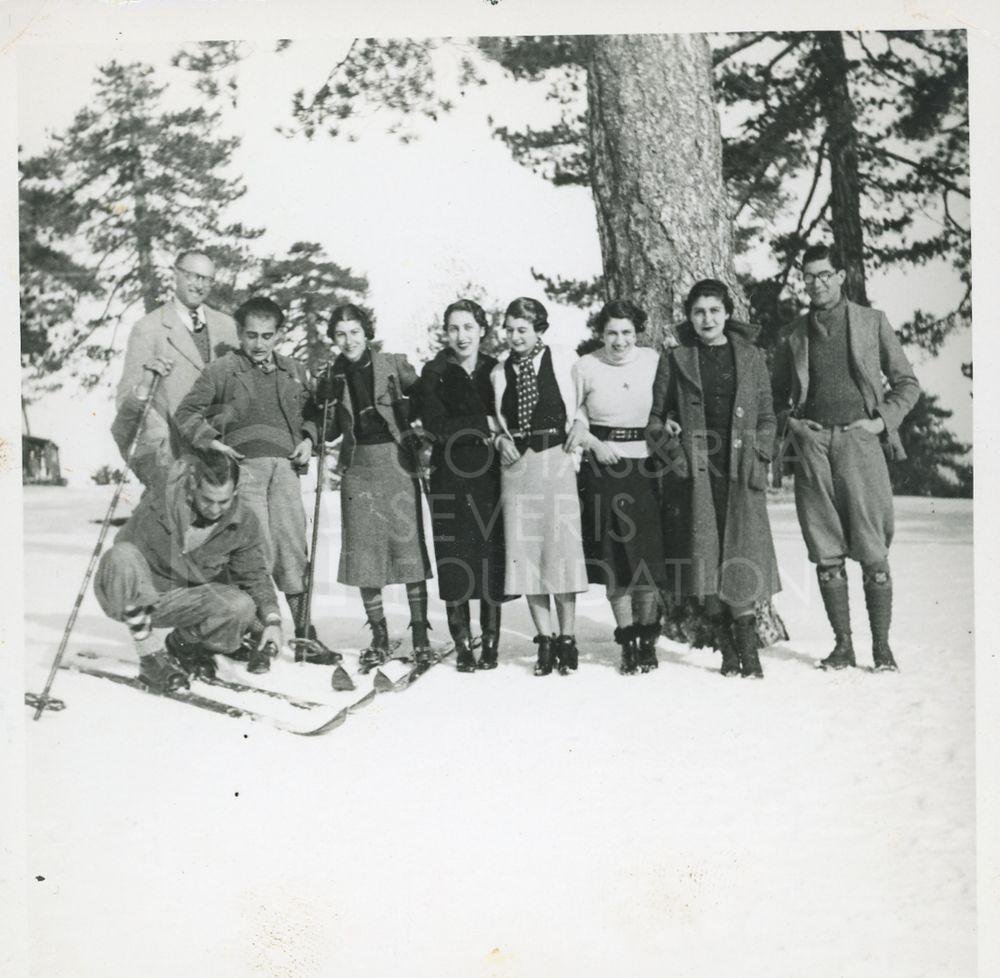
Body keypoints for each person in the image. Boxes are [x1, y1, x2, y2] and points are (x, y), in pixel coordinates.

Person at [771, 243, 920, 672]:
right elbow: (776, 398)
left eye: (824, 275)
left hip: (859, 442)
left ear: (841, 277)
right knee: (825, 547)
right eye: (809, 276)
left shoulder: (872, 323)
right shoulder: (795, 333)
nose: (816, 283)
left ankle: (882, 648)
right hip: (813, 447)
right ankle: (842, 645)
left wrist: (879, 423)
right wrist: (794, 425)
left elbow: (906, 383)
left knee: (872, 547)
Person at [173, 296, 335, 667]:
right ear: (240, 334)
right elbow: (185, 413)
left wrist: (310, 439)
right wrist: (212, 441)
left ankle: (305, 631)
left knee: (293, 548)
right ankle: (262, 633)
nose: (259, 343)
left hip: (286, 470)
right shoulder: (222, 369)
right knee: (256, 550)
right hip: (244, 469)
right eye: (251, 335)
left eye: (267, 335)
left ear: (279, 334)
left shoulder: (293, 370)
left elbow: (317, 413)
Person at [646, 279, 781, 679]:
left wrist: (759, 454)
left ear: (727, 314)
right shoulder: (676, 359)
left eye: (714, 311)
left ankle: (748, 649)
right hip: (697, 473)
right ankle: (727, 648)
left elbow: (769, 417)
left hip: (740, 471)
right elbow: (654, 421)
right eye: (699, 312)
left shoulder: (752, 357)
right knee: (707, 558)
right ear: (690, 317)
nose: (707, 319)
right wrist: (676, 455)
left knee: (741, 557)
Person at [93, 448, 282, 689]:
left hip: (184, 600)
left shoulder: (244, 521)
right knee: (121, 554)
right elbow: (123, 558)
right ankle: (151, 658)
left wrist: (272, 621)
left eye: (223, 501)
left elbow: (255, 575)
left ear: (235, 492)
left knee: (240, 606)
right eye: (207, 500)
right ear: (193, 486)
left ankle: (184, 646)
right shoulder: (162, 500)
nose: (214, 509)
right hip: (134, 595)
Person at [312, 304, 434, 668]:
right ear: (332, 338)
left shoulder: (392, 364)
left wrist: (419, 429)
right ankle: (380, 634)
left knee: (408, 548)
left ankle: (420, 634)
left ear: (366, 332)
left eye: (354, 331)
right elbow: (329, 430)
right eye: (340, 334)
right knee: (365, 554)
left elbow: (425, 398)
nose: (348, 340)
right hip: (358, 468)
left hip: (396, 462)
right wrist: (324, 401)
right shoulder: (331, 375)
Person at [492, 297, 588, 677]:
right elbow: (494, 421)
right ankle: (544, 641)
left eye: (523, 329)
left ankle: (567, 638)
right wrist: (499, 440)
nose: (516, 337)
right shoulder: (499, 372)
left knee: (560, 551)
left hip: (557, 459)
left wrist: (581, 424)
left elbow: (583, 402)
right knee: (527, 552)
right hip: (517, 468)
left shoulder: (565, 360)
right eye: (510, 329)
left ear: (540, 331)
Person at [569, 300, 666, 674]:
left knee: (645, 557)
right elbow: (573, 417)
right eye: (612, 333)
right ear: (600, 333)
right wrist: (594, 444)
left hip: (646, 466)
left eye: (627, 332)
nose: (619, 341)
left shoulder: (652, 361)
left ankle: (647, 637)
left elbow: (665, 407)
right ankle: (627, 640)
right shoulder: (586, 366)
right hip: (603, 466)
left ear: (637, 332)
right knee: (615, 559)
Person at [419, 299, 506, 672]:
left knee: (489, 555)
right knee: (455, 558)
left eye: (469, 327)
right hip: (450, 476)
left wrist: (475, 426)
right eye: (454, 328)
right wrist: (482, 424)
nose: (461, 335)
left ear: (482, 330)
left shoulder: (496, 370)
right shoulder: (435, 372)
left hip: (490, 476)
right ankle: (462, 643)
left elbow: (507, 419)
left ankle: (490, 642)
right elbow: (436, 427)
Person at [115, 250, 238, 487]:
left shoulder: (227, 326)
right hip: (173, 457)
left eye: (207, 279)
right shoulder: (148, 328)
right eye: (193, 276)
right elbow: (125, 403)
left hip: (221, 457)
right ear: (176, 275)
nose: (199, 285)